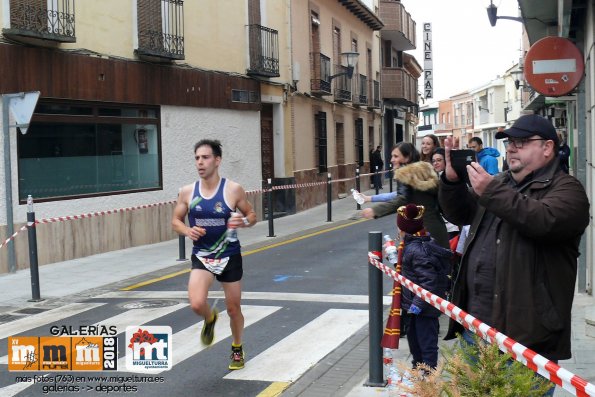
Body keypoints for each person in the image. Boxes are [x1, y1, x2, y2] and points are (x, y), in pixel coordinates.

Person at [439, 114, 590, 396]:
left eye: (521, 142)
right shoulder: (501, 184)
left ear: (547, 148)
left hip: (527, 339)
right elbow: (458, 213)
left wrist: (491, 191)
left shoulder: (568, 190)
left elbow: (542, 220)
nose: (511, 148)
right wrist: (451, 183)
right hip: (476, 329)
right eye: (510, 142)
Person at [171, 139, 257, 370]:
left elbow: (252, 215)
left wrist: (244, 221)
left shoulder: (233, 189)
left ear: (217, 161)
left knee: (233, 309)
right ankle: (210, 318)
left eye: (205, 157)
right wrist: (188, 230)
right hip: (203, 255)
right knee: (197, 304)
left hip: (229, 255)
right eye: (197, 158)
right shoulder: (187, 192)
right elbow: (175, 221)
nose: (200, 162)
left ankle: (237, 348)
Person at [361, 142, 449, 249]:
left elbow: (402, 199)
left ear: (407, 157)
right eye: (392, 156)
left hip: (420, 232)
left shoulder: (406, 174)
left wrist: (375, 211)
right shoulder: (425, 171)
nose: (392, 160)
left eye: (396, 156)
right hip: (437, 228)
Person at [396, 203, 452, 369]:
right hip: (415, 306)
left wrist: (416, 306)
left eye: (399, 228)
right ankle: (418, 369)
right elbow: (410, 273)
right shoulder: (412, 246)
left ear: (405, 230)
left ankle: (428, 374)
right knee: (414, 341)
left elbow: (429, 283)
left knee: (426, 342)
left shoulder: (418, 250)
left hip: (423, 309)